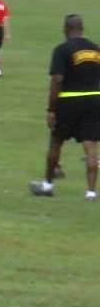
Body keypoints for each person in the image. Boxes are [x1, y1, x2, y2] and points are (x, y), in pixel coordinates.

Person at [30, 14, 100, 201]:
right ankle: (91, 192)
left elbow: (57, 79)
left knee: (56, 141)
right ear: (82, 29)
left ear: (65, 29)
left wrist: (51, 109)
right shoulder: (95, 49)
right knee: (91, 144)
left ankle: (47, 185)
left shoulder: (62, 49)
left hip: (69, 100)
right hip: (94, 99)